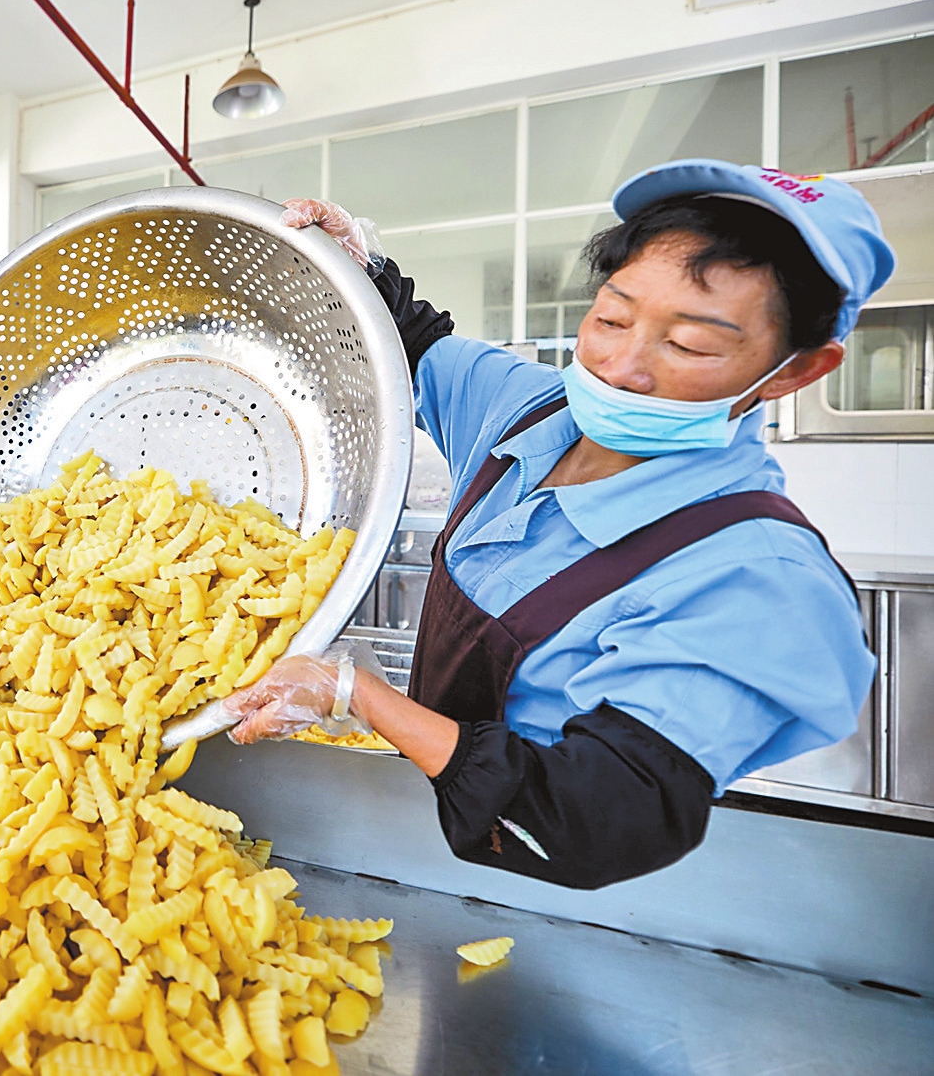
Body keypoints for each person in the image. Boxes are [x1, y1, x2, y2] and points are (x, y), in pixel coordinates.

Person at [224, 161, 892, 889]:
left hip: (565, 894)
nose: (621, 367)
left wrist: (353, 692)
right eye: (611, 318)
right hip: (420, 838)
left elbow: (594, 818)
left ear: (795, 370)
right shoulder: (532, 410)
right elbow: (411, 345)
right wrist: (354, 271)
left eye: (689, 345)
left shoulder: (759, 580)